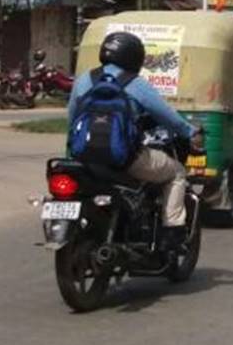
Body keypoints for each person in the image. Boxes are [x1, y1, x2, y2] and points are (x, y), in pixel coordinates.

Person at [68, 31, 203, 246]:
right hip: (124, 159)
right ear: (134, 57)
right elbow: (167, 115)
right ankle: (173, 229)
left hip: (85, 159)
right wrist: (191, 133)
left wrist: (71, 152)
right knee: (177, 172)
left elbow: (72, 119)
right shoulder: (134, 84)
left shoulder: (85, 79)